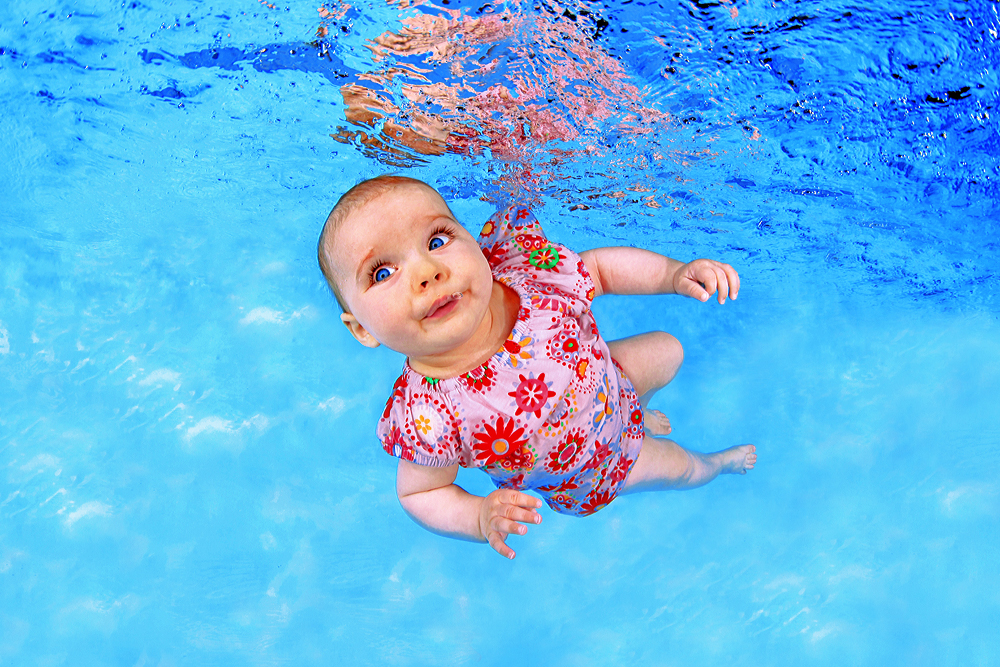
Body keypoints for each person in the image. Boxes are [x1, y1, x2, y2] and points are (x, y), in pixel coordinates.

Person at [317, 175, 756, 559]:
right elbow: (421, 492)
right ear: (361, 329)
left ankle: (638, 411)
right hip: (597, 465)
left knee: (669, 349)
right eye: (381, 273)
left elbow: (600, 270)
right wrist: (478, 516)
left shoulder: (528, 278)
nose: (427, 271)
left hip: (611, 382)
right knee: (682, 468)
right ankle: (718, 463)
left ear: (471, 240)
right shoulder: (430, 416)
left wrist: (674, 275)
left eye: (436, 241)